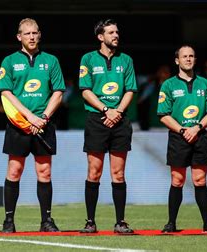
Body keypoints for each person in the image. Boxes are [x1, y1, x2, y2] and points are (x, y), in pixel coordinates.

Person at [0, 18, 65, 233]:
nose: (32, 37)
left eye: (35, 33)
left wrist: (43, 118)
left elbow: (58, 92)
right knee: (14, 170)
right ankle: (9, 220)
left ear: (40, 35)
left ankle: (46, 220)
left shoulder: (51, 61)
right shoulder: (9, 61)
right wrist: (29, 117)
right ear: (19, 37)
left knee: (44, 172)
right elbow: (6, 92)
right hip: (18, 124)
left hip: (44, 123)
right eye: (27, 34)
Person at [78, 19, 137, 234]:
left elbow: (130, 90)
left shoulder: (126, 60)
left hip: (120, 121)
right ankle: (90, 221)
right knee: (94, 172)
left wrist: (118, 112)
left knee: (118, 173)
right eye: (111, 32)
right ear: (100, 37)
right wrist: (106, 110)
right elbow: (85, 90)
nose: (116, 35)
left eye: (117, 32)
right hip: (97, 120)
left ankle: (120, 222)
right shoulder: (88, 59)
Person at [157, 45, 207, 233]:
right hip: (178, 137)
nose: (188, 59)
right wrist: (183, 130)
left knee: (200, 180)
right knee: (177, 180)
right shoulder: (168, 85)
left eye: (191, 56)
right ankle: (171, 223)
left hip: (200, 136)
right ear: (177, 60)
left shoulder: (205, 84)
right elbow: (163, 114)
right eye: (184, 56)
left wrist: (197, 127)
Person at [137, 65, 171, 130]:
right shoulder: (151, 87)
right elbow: (140, 101)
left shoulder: (174, 88)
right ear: (158, 73)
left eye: (166, 72)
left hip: (169, 126)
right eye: (161, 72)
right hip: (153, 125)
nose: (163, 74)